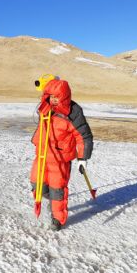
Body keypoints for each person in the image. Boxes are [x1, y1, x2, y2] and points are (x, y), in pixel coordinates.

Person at [30, 75, 93, 231]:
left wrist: (82, 158)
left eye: (57, 97)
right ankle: (52, 202)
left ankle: (57, 218)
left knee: (57, 190)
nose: (54, 100)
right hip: (42, 155)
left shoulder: (73, 112)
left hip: (60, 160)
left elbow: (83, 136)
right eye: (51, 96)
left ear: (64, 96)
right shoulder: (45, 108)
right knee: (36, 184)